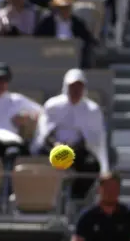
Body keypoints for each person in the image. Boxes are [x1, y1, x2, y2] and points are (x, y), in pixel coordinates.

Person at [33, 68, 107, 200]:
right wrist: (56, 144)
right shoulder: (52, 105)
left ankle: (75, 198)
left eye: (79, 86)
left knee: (91, 164)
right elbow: (44, 131)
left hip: (78, 150)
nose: (75, 90)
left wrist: (73, 146)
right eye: (72, 86)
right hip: (53, 148)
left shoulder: (92, 109)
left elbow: (93, 138)